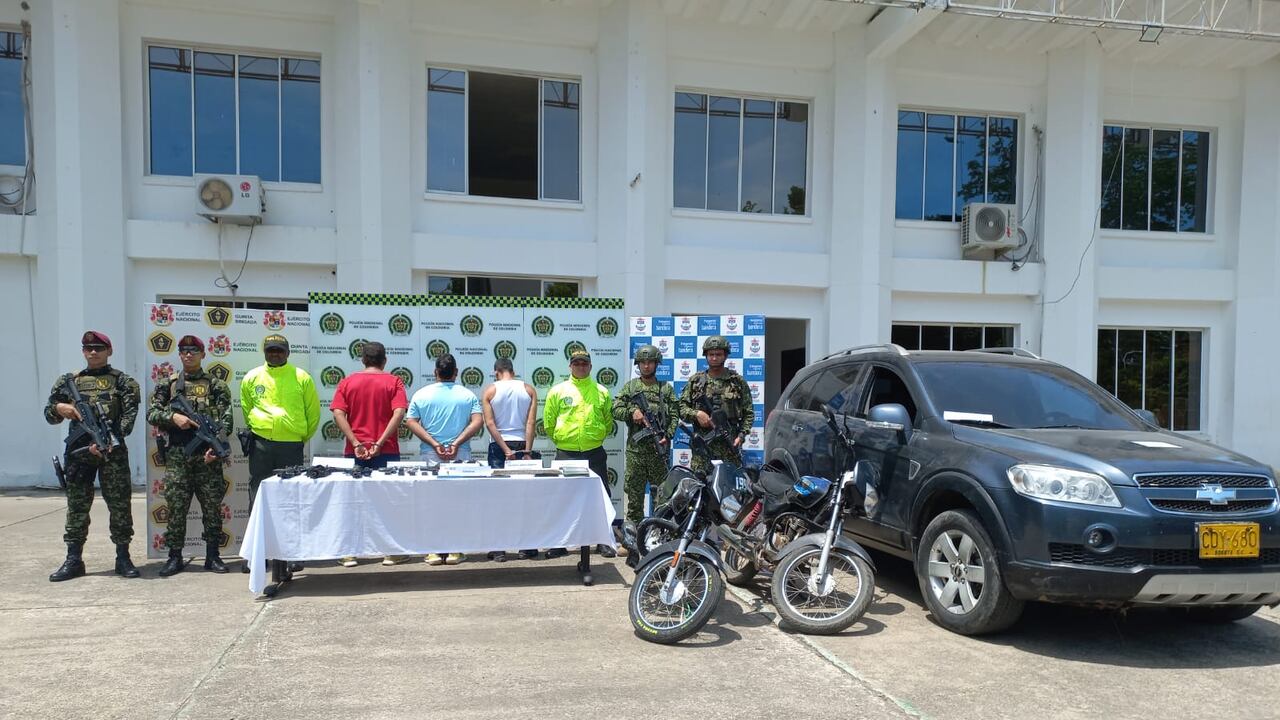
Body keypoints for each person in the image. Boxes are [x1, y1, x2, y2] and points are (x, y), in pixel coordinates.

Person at [44, 330, 142, 582]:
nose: (93, 352)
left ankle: (123, 557)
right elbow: (49, 414)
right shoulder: (69, 381)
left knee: (119, 506)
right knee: (77, 507)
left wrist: (108, 441)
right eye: (88, 348)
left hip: (112, 453)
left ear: (110, 351)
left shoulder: (124, 382)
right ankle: (73, 559)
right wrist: (60, 407)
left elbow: (129, 420)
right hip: (78, 455)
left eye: (99, 348)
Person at [146, 335, 234, 577]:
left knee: (212, 508)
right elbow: (152, 413)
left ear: (203, 354)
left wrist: (216, 449)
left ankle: (213, 555)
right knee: (176, 508)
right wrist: (172, 418)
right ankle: (175, 556)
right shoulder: (169, 384)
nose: (188, 355)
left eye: (194, 351)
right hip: (177, 456)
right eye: (184, 351)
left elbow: (227, 421)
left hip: (207, 457)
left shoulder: (216, 385)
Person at [240, 334, 320, 573]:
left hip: (291, 445)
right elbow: (247, 408)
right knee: (258, 498)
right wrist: (261, 429)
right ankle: (258, 555)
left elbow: (313, 414)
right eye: (270, 350)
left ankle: (293, 554)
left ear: (288, 352)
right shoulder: (252, 377)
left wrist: (298, 436)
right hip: (261, 444)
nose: (275, 354)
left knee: (291, 500)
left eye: (279, 350)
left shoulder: (301, 377)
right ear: (264, 352)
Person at [329, 341, 408, 567]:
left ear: (363, 359)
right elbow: (399, 412)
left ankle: (348, 553)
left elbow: (338, 413)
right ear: (384, 360)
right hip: (387, 451)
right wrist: (380, 443)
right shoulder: (394, 381)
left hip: (355, 452)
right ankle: (390, 552)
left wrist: (355, 442)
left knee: (351, 502)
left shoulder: (347, 382)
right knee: (388, 502)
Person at [406, 353, 482, 566]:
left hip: (432, 454)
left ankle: (433, 551)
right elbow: (478, 422)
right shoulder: (467, 395)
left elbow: (411, 421)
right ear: (456, 372)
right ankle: (455, 550)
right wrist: (456, 443)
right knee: (458, 504)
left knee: (432, 503)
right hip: (461, 454)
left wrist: (434, 443)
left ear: (435, 372)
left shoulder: (422, 394)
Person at [544, 348, 615, 559]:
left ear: (591, 366)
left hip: (594, 451)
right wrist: (562, 439)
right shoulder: (558, 391)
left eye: (584, 363)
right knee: (562, 498)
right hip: (566, 452)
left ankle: (603, 541)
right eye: (577, 363)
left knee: (601, 497)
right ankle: (560, 543)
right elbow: (548, 422)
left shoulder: (601, 391)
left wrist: (596, 436)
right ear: (570, 366)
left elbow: (608, 421)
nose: (581, 367)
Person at [481, 358, 539, 562]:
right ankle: (528, 547)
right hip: (522, 444)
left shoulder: (490, 390)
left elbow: (489, 423)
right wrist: (527, 450)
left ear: (496, 372)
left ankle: (498, 549)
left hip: (499, 446)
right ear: (512, 371)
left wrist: (505, 449)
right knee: (524, 498)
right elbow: (531, 422)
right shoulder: (529, 389)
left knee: (499, 499)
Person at [612, 344, 677, 526]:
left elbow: (675, 415)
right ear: (638, 365)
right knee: (634, 499)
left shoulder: (665, 389)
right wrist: (632, 412)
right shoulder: (631, 387)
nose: (646, 366)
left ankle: (657, 536)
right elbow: (615, 409)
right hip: (636, 454)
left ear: (657, 364)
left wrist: (668, 435)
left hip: (659, 452)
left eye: (650, 362)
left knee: (662, 500)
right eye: (643, 363)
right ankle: (632, 541)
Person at [678, 335, 754, 476]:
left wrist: (741, 436)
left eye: (718, 354)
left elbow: (748, 413)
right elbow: (682, 409)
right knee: (701, 489)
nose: (714, 358)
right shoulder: (696, 381)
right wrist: (697, 414)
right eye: (711, 354)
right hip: (703, 449)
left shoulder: (737, 382)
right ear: (706, 356)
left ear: (725, 356)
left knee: (730, 491)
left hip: (729, 446)